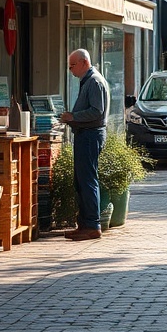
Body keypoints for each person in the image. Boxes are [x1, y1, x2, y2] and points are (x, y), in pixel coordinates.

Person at [59, 48, 109, 241]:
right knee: (81, 180)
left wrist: (73, 116)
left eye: (72, 65)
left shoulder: (94, 81)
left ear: (83, 63)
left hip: (90, 136)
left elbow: (97, 111)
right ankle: (84, 224)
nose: (70, 70)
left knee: (87, 180)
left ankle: (93, 224)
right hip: (85, 135)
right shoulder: (88, 81)